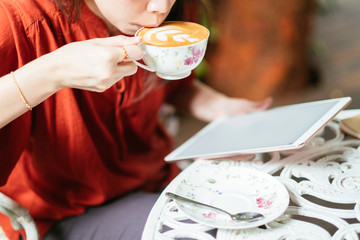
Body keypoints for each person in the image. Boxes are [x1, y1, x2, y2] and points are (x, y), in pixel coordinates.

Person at [0, 0, 272, 239]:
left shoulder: (174, 14)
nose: (160, 8)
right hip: (62, 212)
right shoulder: (17, 20)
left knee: (261, 215)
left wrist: (219, 106)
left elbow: (175, 86)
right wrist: (52, 72)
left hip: (158, 179)